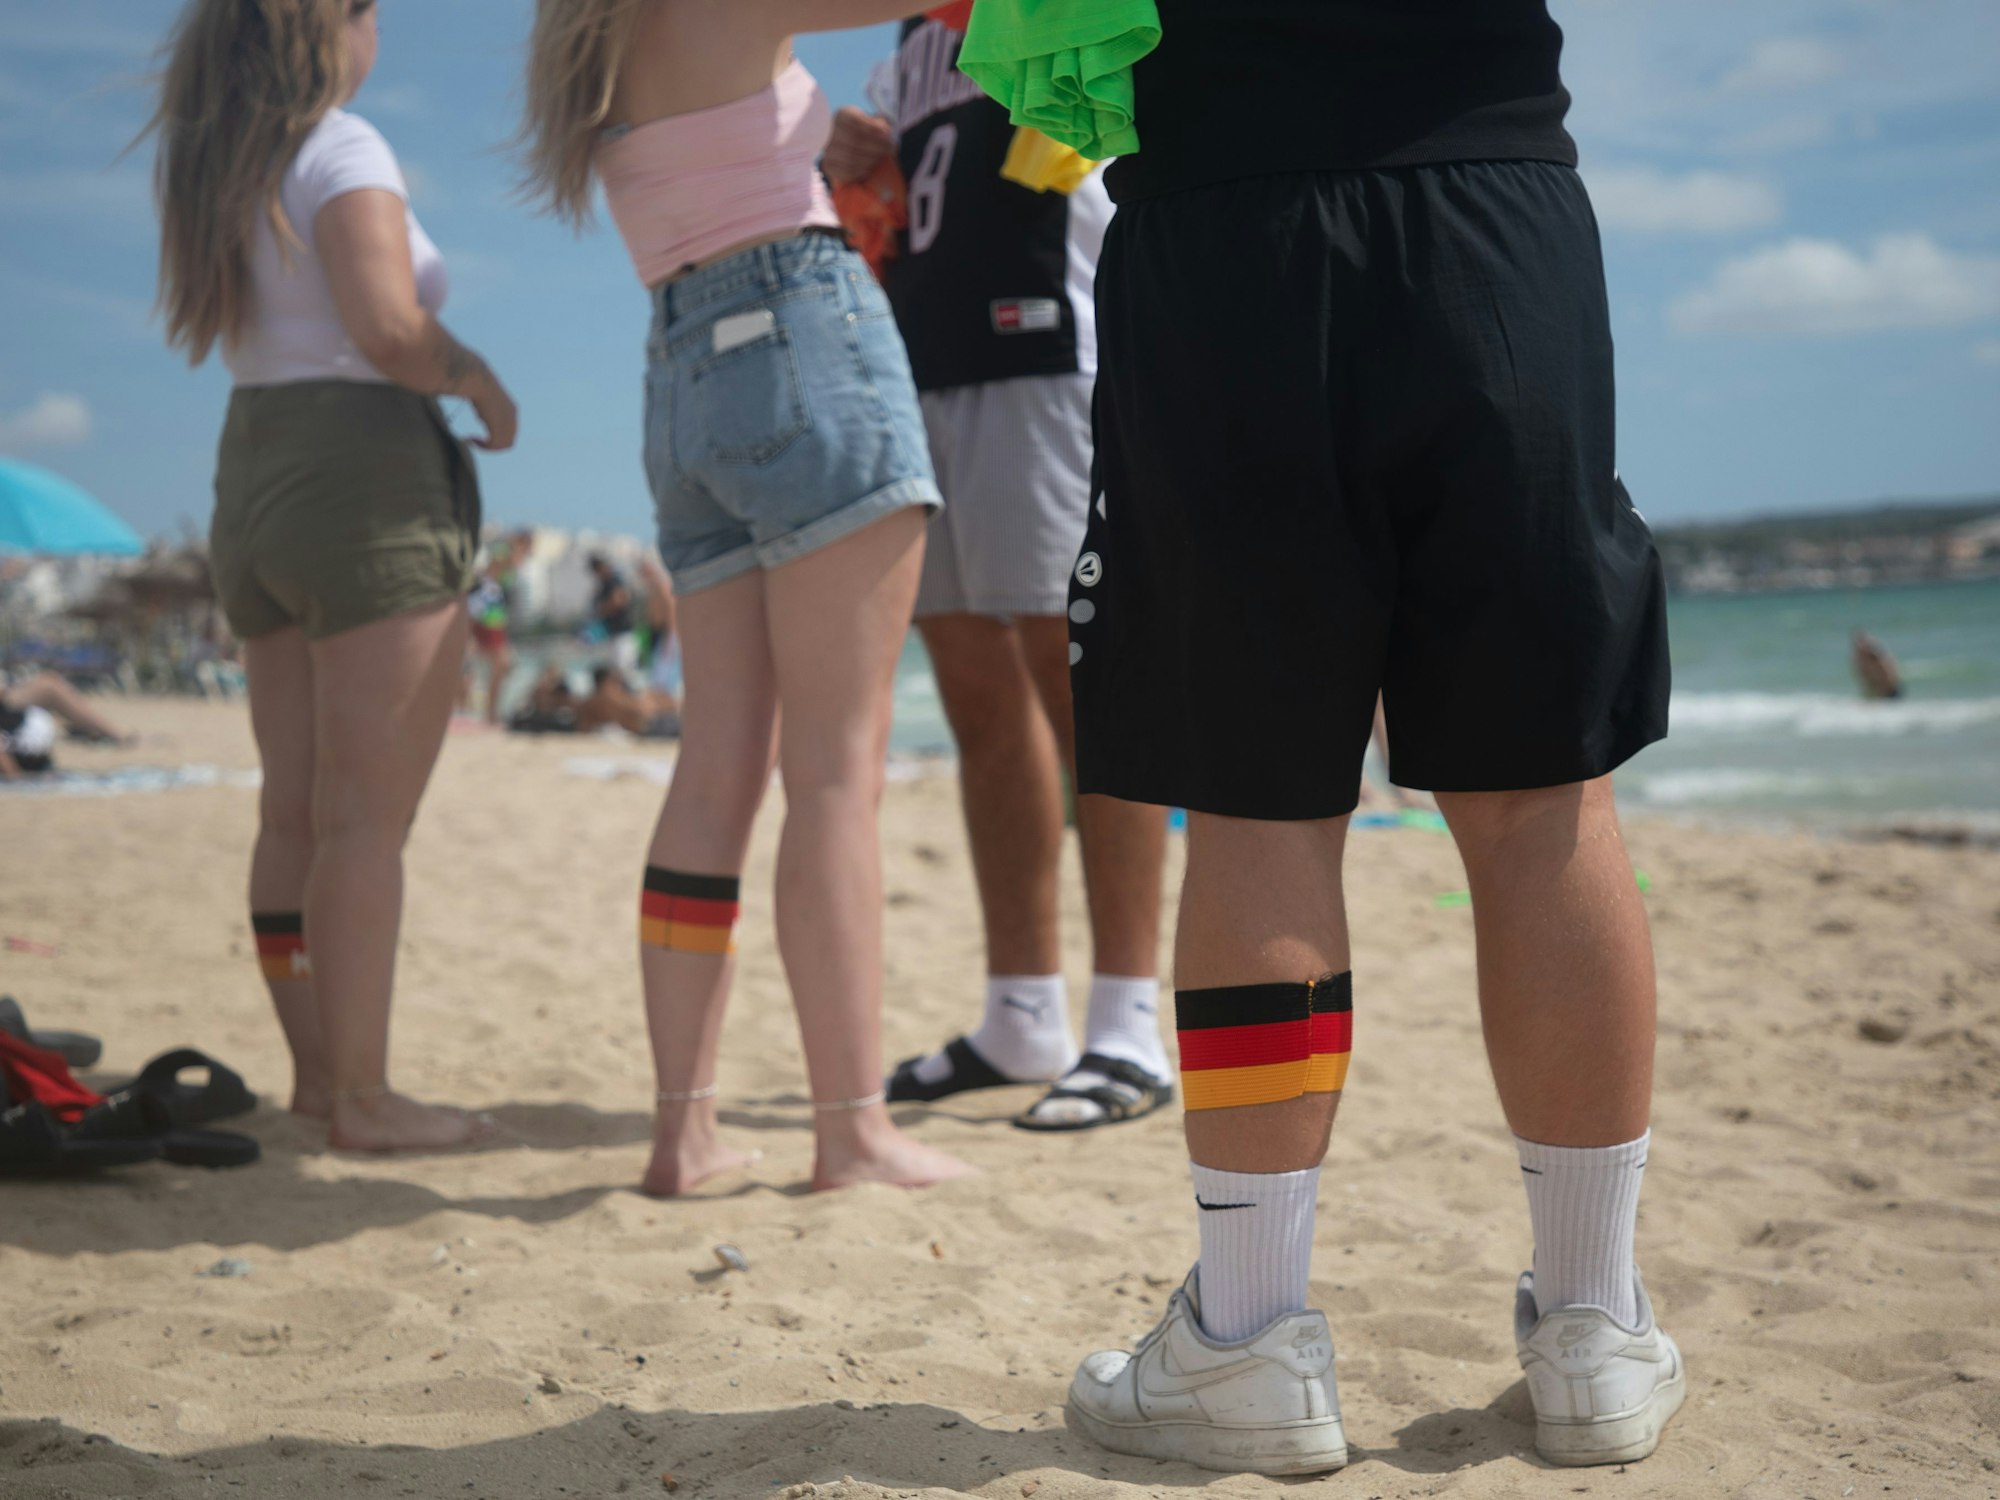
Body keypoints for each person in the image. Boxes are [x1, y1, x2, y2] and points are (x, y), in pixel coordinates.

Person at [1047, 0, 1681, 1475]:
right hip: (1491, 209)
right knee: (1542, 803)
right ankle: (1593, 1327)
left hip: (1225, 226)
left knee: (1261, 810)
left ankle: (1251, 1342)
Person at [520, 0, 971, 1192]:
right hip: (803, 334)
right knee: (833, 772)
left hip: (680, 366)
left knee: (714, 767)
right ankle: (851, 1131)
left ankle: (683, 1133)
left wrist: (818, 139)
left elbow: (707, 152)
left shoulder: (591, 41)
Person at [145, 0, 517, 1151]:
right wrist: (481, 382)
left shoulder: (229, 161)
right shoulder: (342, 146)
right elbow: (390, 328)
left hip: (251, 465)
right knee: (363, 822)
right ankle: (362, 1095)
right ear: (321, 27)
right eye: (366, 9)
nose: (381, 28)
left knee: (293, 811)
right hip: (358, 472)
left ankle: (317, 1075)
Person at [821, 14, 1173, 1132]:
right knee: (976, 695)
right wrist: (854, 165)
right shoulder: (905, 45)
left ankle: (1127, 1020)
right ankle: (1020, 1010)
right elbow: (909, 197)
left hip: (1045, 351)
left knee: (1081, 683)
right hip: (927, 362)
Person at [0, 671, 131, 778]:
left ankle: (111, 734)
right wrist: (15, 774)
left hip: (18, 736)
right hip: (19, 749)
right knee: (49, 688)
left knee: (49, 684)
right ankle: (114, 735)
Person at [575, 664, 680, 738]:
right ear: (608, 682)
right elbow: (641, 712)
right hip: (646, 729)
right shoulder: (612, 698)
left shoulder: (589, 702)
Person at [586, 552, 640, 684]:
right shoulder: (603, 585)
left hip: (622, 635)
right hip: (611, 635)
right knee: (615, 674)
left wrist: (603, 609)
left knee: (625, 673)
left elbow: (621, 599)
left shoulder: (614, 581)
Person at [1852, 629, 1903, 700]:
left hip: (1889, 689)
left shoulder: (1874, 655)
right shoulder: (1860, 660)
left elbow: (1888, 671)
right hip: (1879, 690)